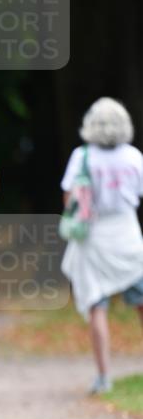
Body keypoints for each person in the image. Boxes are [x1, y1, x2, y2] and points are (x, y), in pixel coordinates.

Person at [60, 97, 143, 394]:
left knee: (96, 306)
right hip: (128, 235)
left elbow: (69, 199)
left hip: (93, 237)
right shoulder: (134, 157)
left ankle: (104, 375)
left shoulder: (82, 156)